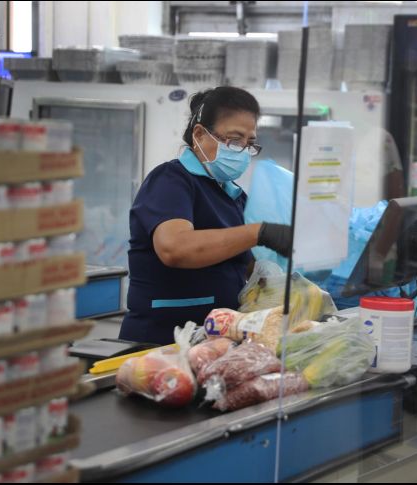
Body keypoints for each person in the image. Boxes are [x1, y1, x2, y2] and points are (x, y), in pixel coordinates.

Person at [119, 87, 292, 345]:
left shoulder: (235, 197)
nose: (243, 151)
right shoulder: (170, 181)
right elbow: (174, 248)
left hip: (215, 342)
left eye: (249, 144)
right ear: (200, 134)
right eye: (234, 140)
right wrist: (258, 232)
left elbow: (247, 268)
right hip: (159, 343)